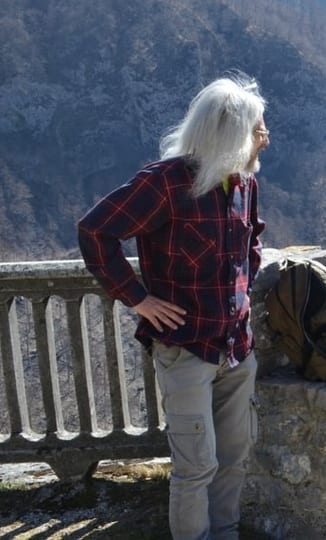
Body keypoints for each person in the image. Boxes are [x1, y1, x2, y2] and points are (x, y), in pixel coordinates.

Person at [78, 73, 269, 540]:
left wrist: (243, 288)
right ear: (232, 132)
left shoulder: (243, 183)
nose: (265, 138)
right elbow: (95, 231)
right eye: (258, 129)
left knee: (233, 458)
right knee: (195, 465)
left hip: (236, 347)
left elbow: (250, 245)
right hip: (185, 350)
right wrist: (138, 298)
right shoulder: (164, 183)